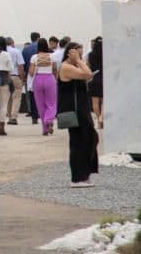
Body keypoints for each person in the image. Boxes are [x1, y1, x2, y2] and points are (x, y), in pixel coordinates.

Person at [58, 42, 99, 187]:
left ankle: (85, 174)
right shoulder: (66, 67)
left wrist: (79, 61)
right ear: (70, 53)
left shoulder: (74, 66)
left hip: (81, 110)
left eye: (81, 54)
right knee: (78, 142)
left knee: (90, 138)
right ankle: (77, 178)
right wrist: (79, 61)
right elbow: (87, 74)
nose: (81, 57)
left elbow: (88, 76)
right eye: (78, 54)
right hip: (73, 111)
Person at [31, 38, 58, 135]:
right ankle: (49, 119)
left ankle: (44, 129)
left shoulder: (34, 57)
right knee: (51, 103)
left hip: (38, 79)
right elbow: (55, 70)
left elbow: (30, 72)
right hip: (49, 79)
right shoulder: (52, 56)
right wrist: (56, 79)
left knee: (40, 104)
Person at [0, 37, 12, 136]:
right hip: (4, 78)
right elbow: (10, 68)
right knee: (4, 105)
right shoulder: (6, 54)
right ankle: (2, 126)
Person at [21, 32, 41, 124]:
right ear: (38, 38)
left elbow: (23, 64)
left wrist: (24, 76)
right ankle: (41, 112)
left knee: (31, 96)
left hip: (30, 75)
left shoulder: (25, 49)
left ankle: (33, 115)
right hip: (42, 74)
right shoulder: (42, 48)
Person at [6, 37, 25, 125]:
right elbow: (20, 66)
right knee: (16, 97)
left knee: (8, 98)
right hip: (15, 76)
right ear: (12, 43)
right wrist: (22, 77)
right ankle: (13, 117)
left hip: (5, 77)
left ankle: (9, 115)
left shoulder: (1, 52)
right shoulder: (16, 51)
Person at [88, 37, 104, 129]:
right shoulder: (106, 54)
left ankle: (98, 119)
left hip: (94, 78)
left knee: (95, 102)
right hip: (103, 78)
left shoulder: (90, 54)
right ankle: (102, 117)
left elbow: (88, 67)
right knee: (104, 101)